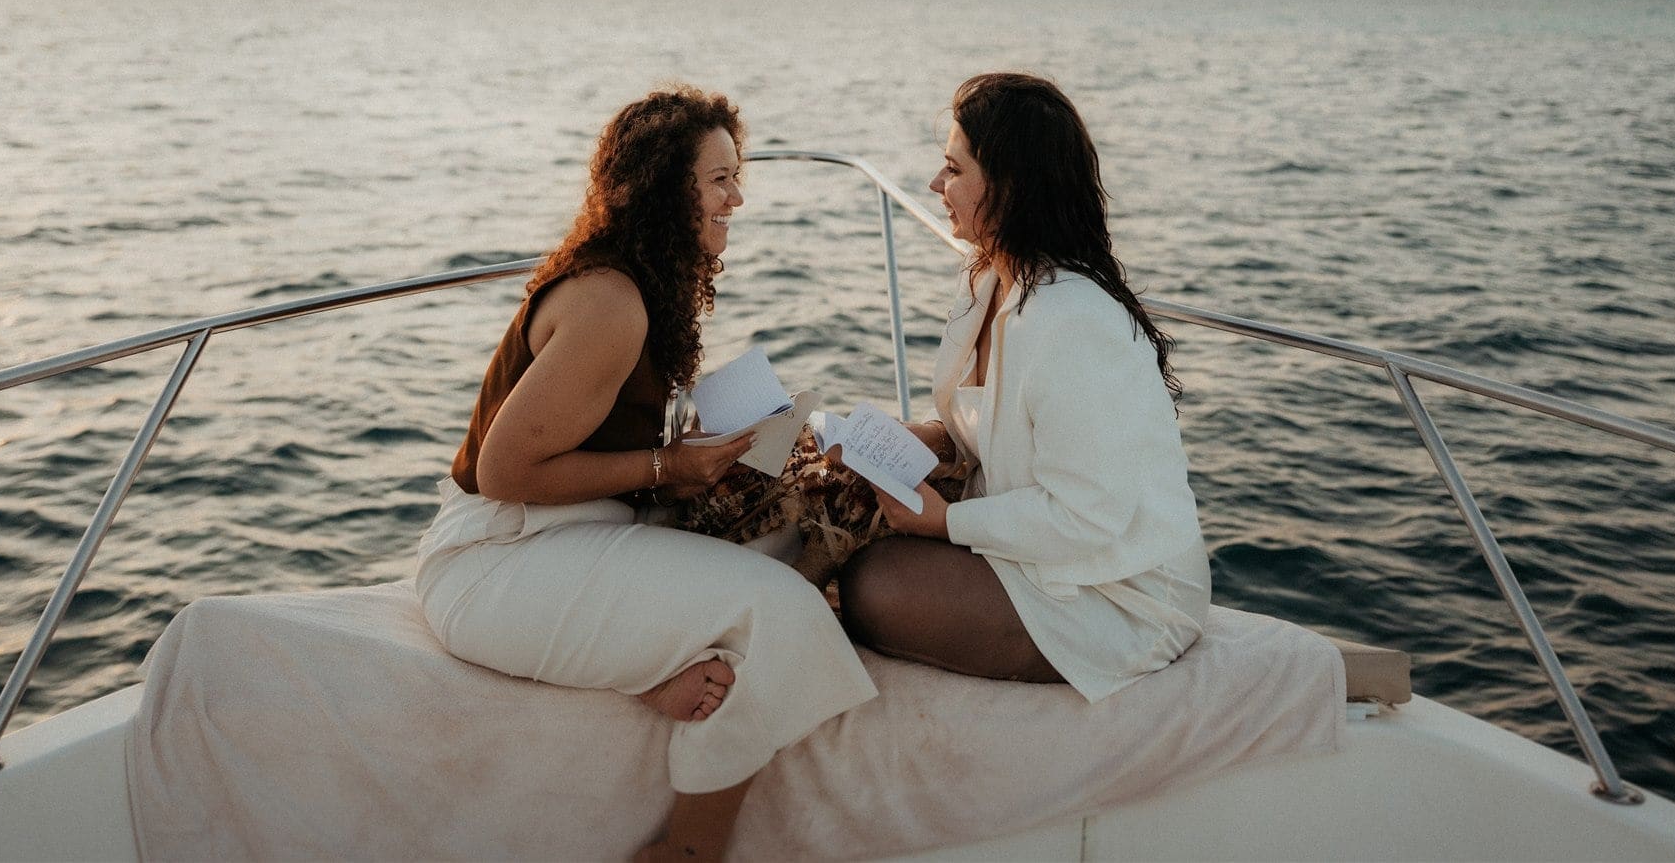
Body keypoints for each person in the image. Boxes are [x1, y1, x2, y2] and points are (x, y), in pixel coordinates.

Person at [414, 86, 877, 863]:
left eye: (738, 174)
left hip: (574, 533)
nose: (739, 195)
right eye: (720, 178)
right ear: (669, 189)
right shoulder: (611, 303)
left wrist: (694, 456)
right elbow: (502, 470)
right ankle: (688, 851)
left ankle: (647, 669)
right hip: (496, 560)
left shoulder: (644, 281)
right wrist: (668, 464)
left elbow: (595, 439)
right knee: (783, 611)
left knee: (789, 537)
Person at [836, 72, 1211, 701]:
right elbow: (996, 429)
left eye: (953, 170)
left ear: (1008, 188)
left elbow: (1089, 515)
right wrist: (924, 439)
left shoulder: (1074, 323)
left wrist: (945, 522)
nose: (935, 186)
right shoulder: (988, 280)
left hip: (1117, 592)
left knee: (873, 586)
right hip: (1038, 548)